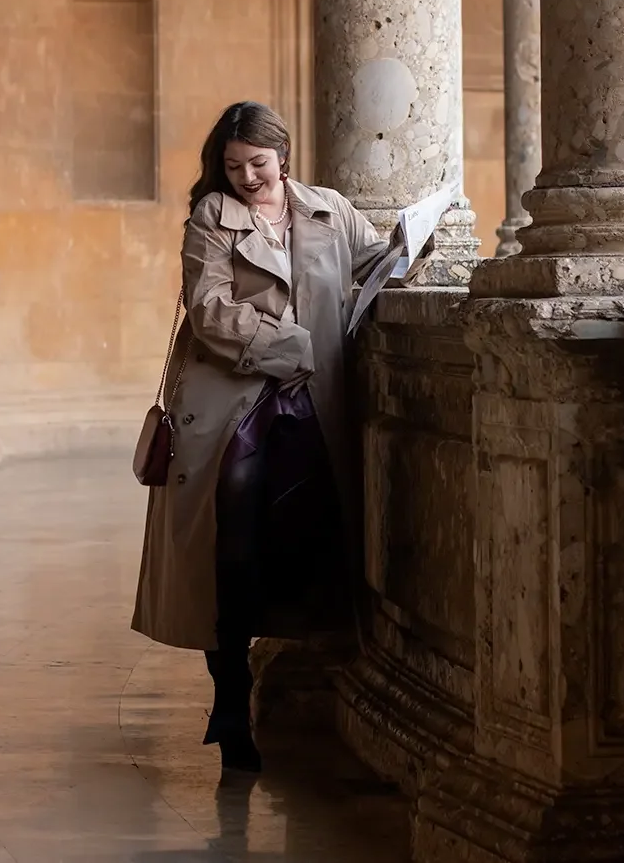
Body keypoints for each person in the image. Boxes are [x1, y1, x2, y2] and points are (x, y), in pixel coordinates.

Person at [132, 101, 428, 774]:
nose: (245, 177)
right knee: (225, 543)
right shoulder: (212, 217)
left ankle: (280, 676)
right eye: (233, 166)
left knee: (300, 544)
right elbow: (209, 310)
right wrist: (290, 344)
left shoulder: (328, 208)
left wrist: (414, 243)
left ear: (283, 157)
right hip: (233, 397)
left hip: (312, 401)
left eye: (257, 164)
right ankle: (231, 704)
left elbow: (373, 265)